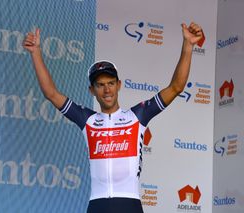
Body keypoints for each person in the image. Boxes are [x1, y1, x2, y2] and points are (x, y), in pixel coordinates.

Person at [23, 22, 204, 213]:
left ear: (119, 85)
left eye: (111, 83)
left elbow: (176, 87)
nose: (107, 89)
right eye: (100, 85)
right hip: (98, 204)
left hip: (129, 204)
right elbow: (51, 93)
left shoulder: (137, 116)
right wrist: (35, 53)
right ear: (91, 90)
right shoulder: (87, 120)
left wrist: (188, 46)